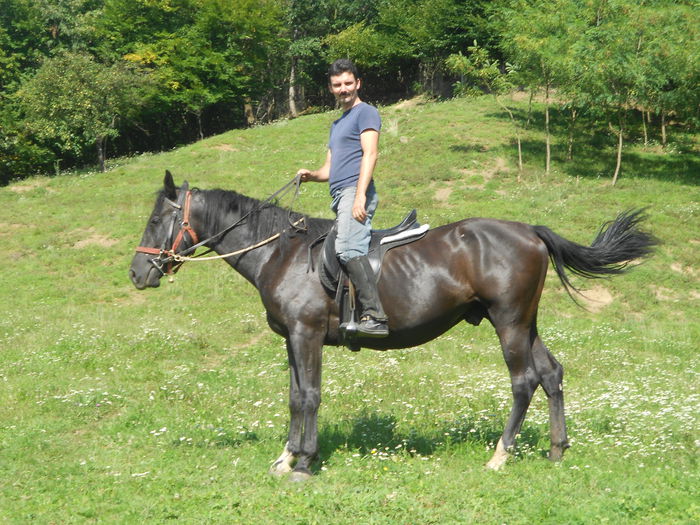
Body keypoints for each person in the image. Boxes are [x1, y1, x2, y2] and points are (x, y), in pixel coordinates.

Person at [297, 58, 388, 337]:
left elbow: (370, 154)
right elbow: (329, 168)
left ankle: (375, 316)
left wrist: (360, 195)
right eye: (338, 85)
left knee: (349, 249)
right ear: (331, 88)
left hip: (354, 191)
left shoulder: (366, 113)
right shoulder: (337, 125)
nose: (343, 89)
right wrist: (311, 175)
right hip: (339, 195)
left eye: (348, 83)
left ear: (358, 84)